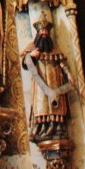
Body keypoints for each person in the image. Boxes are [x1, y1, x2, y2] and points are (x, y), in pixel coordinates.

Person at [21, 13, 73, 142]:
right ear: (37, 32)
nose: (43, 33)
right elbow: (24, 62)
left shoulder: (54, 49)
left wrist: (69, 74)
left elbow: (62, 63)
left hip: (55, 80)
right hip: (40, 84)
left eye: (45, 30)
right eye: (41, 31)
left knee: (56, 107)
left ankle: (58, 128)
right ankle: (42, 129)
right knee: (42, 106)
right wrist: (31, 56)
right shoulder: (32, 48)